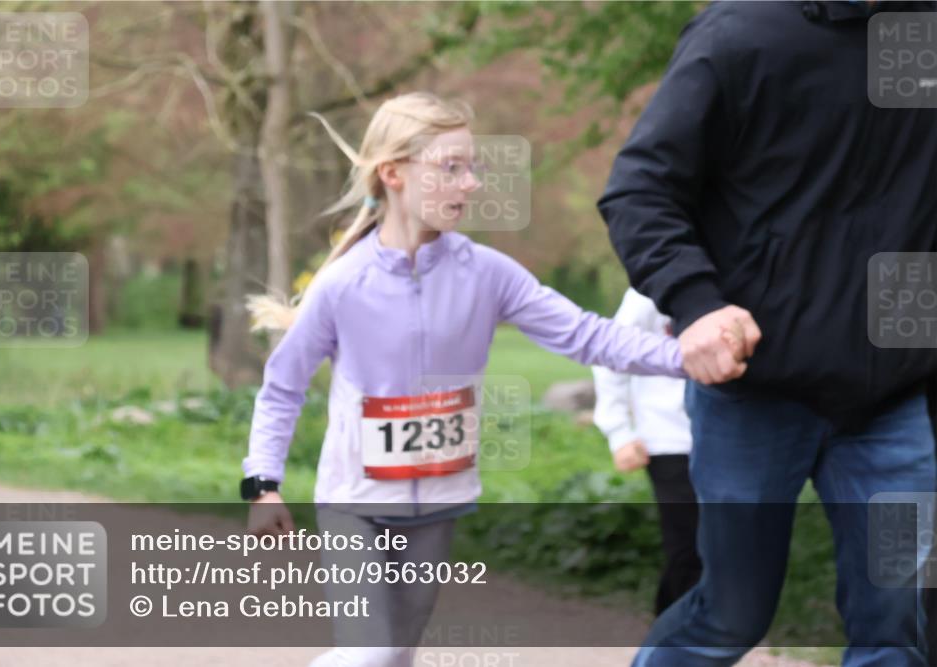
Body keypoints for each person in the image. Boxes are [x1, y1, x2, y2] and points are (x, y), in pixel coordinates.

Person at [238, 92, 745, 667]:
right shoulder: (342, 286)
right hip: (354, 504)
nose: (471, 183)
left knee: (395, 656)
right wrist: (263, 484)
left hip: (439, 502)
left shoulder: (486, 273)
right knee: (373, 652)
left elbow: (588, 335)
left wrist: (687, 356)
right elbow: (283, 387)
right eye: (451, 167)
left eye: (472, 167)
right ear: (394, 173)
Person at [597, 1, 937, 666]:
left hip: (892, 402)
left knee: (896, 626)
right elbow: (639, 191)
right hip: (756, 389)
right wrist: (697, 304)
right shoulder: (741, 32)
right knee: (729, 617)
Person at [592, 287, 701, 617]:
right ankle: (673, 633)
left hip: (732, 437)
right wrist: (619, 432)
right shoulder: (648, 292)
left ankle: (710, 629)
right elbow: (609, 352)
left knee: (727, 546)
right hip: (668, 439)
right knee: (687, 547)